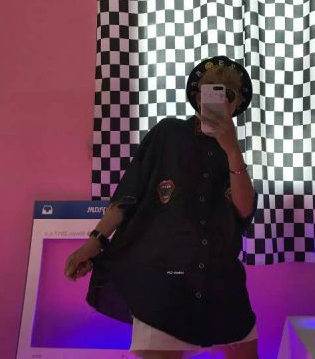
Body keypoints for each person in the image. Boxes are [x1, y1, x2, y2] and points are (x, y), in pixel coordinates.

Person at [64, 55, 259, 359]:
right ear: (198, 97)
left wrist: (233, 150)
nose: (220, 100)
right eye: (211, 90)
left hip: (220, 280)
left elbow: (244, 211)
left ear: (237, 103)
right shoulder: (167, 133)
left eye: (229, 94)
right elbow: (128, 195)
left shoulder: (232, 150)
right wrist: (94, 242)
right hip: (161, 280)